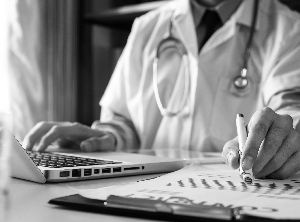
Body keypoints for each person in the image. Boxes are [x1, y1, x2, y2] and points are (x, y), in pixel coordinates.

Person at [23, 0, 300, 180]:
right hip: (147, 191)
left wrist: (279, 136)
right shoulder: (146, 27)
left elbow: (290, 112)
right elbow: (123, 120)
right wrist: (106, 137)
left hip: (234, 191)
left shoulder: (289, 28)